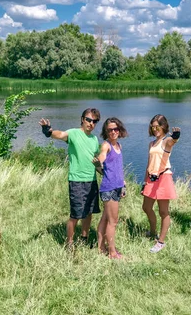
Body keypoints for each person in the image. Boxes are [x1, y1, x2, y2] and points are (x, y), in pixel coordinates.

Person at [39, 108, 101, 249]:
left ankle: (84, 237)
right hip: (77, 181)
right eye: (88, 120)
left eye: (94, 121)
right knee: (76, 214)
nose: (91, 123)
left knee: (89, 212)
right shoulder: (73, 133)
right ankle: (70, 243)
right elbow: (60, 134)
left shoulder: (94, 139)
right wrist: (48, 131)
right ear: (82, 119)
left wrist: (104, 172)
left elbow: (95, 161)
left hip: (91, 181)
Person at [141, 114, 181, 253]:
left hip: (163, 178)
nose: (155, 129)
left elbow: (172, 141)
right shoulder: (151, 144)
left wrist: (176, 136)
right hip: (151, 179)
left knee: (163, 212)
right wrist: (144, 181)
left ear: (164, 126)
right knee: (146, 207)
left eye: (157, 126)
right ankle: (153, 231)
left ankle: (161, 242)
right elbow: (149, 163)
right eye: (152, 127)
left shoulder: (165, 141)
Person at [92, 117, 128, 259]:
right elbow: (101, 156)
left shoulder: (119, 145)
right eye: (110, 130)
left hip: (117, 186)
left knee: (105, 219)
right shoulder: (106, 145)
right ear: (106, 132)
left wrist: (123, 184)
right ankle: (112, 252)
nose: (113, 132)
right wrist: (98, 162)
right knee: (113, 222)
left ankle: (101, 247)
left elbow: (118, 168)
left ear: (119, 130)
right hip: (109, 188)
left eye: (115, 129)